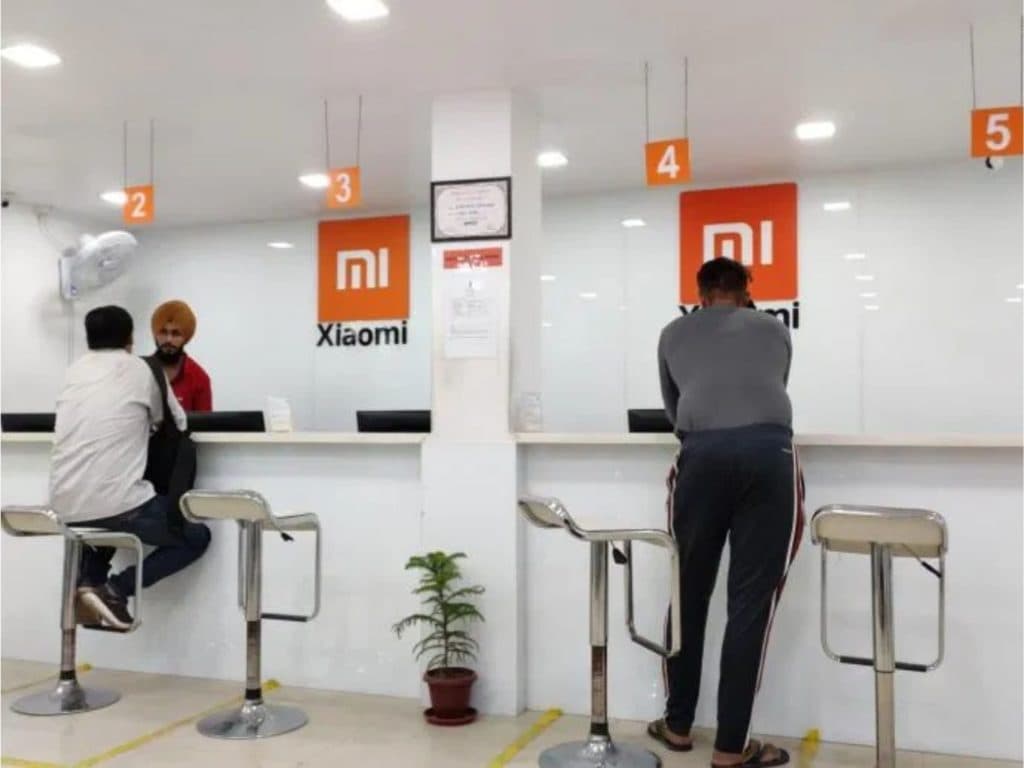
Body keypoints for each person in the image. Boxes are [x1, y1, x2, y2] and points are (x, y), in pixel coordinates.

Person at [647, 258, 803, 768]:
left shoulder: (672, 333)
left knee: (688, 592)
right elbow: (777, 381)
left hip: (701, 458)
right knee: (750, 604)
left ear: (700, 293)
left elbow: (674, 410)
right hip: (768, 457)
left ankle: (677, 725)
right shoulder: (774, 329)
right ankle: (732, 748)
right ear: (747, 290)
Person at [49, 305, 211, 631]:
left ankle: (87, 584)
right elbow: (178, 423)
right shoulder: (143, 370)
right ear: (131, 339)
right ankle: (114, 590)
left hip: (62, 508)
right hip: (119, 506)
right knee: (195, 535)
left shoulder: (73, 372)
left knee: (106, 513)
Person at [151, 300, 212, 412]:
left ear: (186, 338)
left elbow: (205, 422)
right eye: (163, 332)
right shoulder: (140, 371)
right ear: (155, 334)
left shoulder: (199, 378)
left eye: (176, 334)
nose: (169, 339)